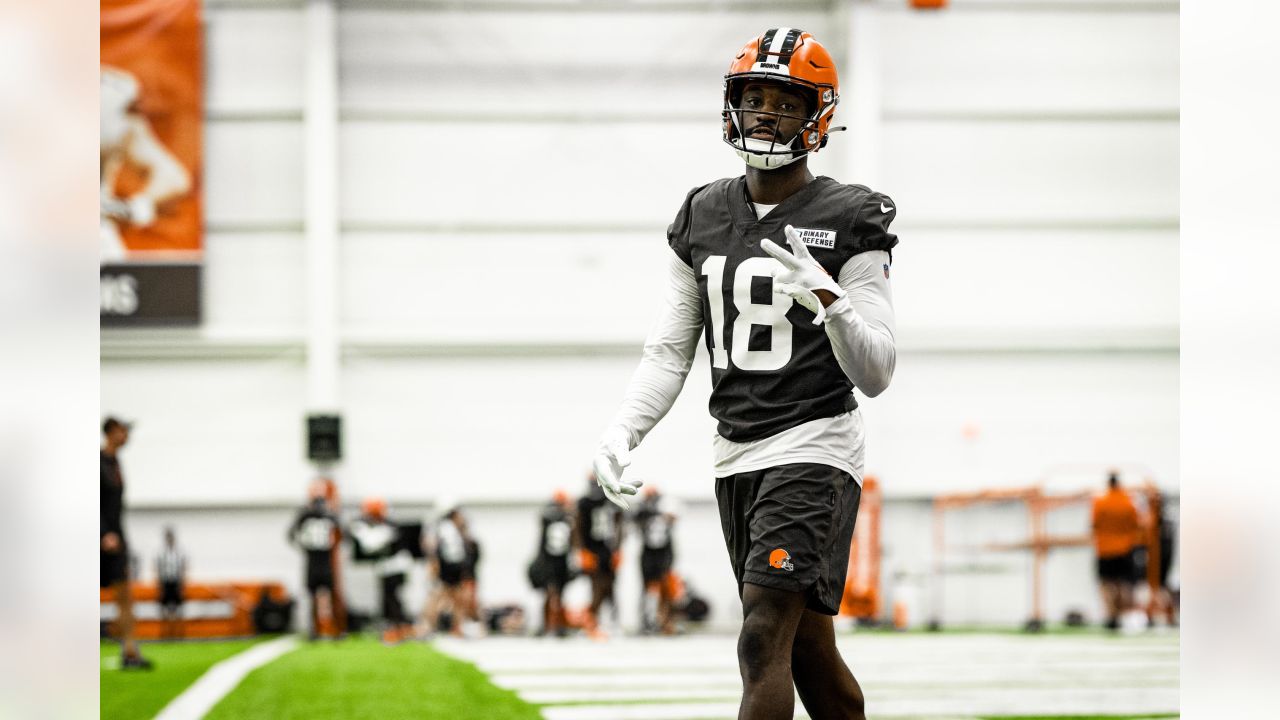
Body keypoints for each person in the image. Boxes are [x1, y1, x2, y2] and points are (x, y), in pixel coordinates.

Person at [591, 28, 897, 720]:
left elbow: (877, 371)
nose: (764, 114)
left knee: (760, 638)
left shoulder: (850, 217)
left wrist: (829, 298)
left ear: (816, 115)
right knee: (809, 654)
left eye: (783, 102)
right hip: (736, 453)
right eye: (752, 98)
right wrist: (623, 429)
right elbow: (671, 351)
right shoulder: (702, 212)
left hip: (816, 444)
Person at [100, 417, 152, 669]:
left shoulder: (115, 462)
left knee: (125, 596)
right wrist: (102, 533)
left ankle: (130, 651)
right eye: (122, 431)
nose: (126, 436)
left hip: (117, 539)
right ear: (111, 432)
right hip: (100, 539)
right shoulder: (97, 462)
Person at [349, 497, 414, 643]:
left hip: (395, 566)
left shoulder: (389, 526)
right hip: (387, 567)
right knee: (387, 598)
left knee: (392, 598)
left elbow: (371, 544)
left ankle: (398, 627)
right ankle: (393, 626)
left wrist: (361, 530)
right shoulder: (384, 525)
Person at [288, 480, 341, 640]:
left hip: (324, 558)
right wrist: (304, 546)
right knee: (312, 595)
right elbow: (291, 534)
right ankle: (314, 630)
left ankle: (334, 629)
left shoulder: (329, 513)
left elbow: (340, 531)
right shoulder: (305, 514)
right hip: (313, 558)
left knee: (329, 594)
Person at [1091, 472, 1142, 631]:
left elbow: (1094, 524)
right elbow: (1136, 524)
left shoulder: (1100, 502)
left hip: (1105, 549)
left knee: (1106, 583)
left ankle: (1111, 615)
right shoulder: (1128, 502)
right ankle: (1120, 615)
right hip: (1125, 548)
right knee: (1122, 583)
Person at [576, 475, 623, 640]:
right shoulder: (584, 503)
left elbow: (619, 524)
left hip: (608, 549)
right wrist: (582, 551)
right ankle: (593, 622)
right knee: (596, 587)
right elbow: (578, 526)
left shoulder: (611, 499)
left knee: (610, 587)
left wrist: (618, 549)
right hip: (592, 549)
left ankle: (613, 622)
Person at [634, 486, 679, 635]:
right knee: (647, 590)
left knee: (666, 591)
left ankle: (664, 621)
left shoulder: (665, 512)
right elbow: (634, 518)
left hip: (663, 555)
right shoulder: (644, 514)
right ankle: (646, 621)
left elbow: (673, 522)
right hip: (649, 555)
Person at [532, 489, 575, 637]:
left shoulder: (566, 518)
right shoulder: (551, 516)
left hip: (560, 561)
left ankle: (557, 625)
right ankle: (547, 625)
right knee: (551, 594)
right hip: (549, 561)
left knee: (559, 595)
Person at [156, 526, 187, 640]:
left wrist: (182, 585)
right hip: (165, 582)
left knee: (177, 610)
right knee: (165, 610)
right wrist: (160, 586)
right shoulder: (161, 553)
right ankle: (166, 634)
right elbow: (158, 569)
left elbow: (183, 568)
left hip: (176, 582)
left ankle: (178, 634)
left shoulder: (179, 552)